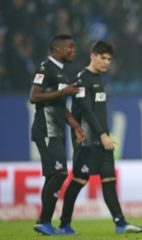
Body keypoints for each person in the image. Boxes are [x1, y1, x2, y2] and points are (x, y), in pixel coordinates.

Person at [58, 41, 142, 235]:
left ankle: (120, 223)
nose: (106, 62)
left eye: (109, 59)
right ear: (93, 56)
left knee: (109, 180)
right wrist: (103, 135)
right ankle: (64, 224)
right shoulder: (82, 79)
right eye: (103, 58)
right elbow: (87, 111)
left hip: (102, 140)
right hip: (88, 141)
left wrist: (104, 135)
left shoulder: (99, 79)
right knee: (79, 181)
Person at [30, 33, 85, 236]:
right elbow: (34, 96)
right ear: (59, 49)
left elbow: (61, 108)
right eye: (71, 47)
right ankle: (44, 221)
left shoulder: (62, 72)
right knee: (60, 173)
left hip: (56, 130)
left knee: (53, 175)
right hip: (45, 129)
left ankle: (43, 222)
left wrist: (76, 127)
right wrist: (63, 93)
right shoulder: (45, 68)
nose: (74, 50)